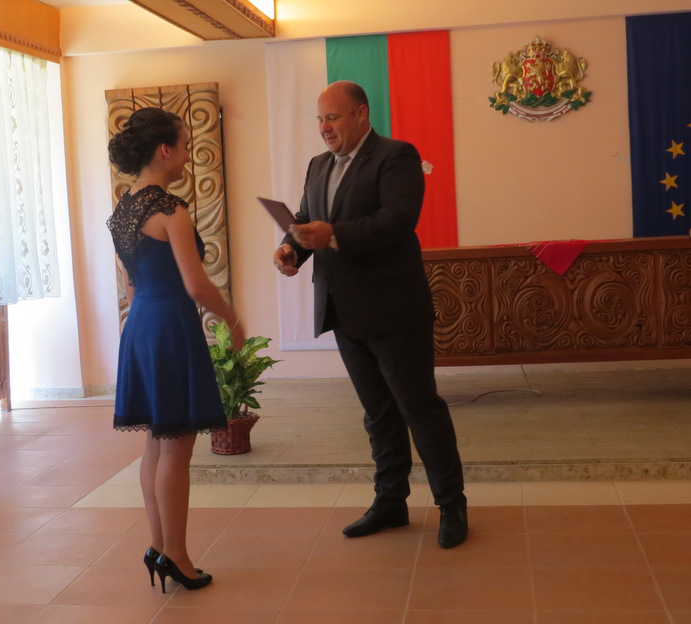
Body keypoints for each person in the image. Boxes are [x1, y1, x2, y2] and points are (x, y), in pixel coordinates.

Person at [273, 81, 468, 548]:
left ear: (360, 114)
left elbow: (397, 221)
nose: (324, 128)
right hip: (343, 309)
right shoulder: (318, 165)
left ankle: (452, 504)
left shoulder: (396, 156)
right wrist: (291, 249)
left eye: (332, 117)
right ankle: (391, 502)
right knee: (377, 414)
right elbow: (307, 219)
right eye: (319, 119)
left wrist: (333, 234)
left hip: (394, 309)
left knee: (419, 409)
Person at [107, 107, 244, 592]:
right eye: (184, 147)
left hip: (141, 324)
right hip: (169, 327)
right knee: (177, 447)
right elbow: (197, 285)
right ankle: (178, 557)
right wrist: (234, 321)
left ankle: (160, 547)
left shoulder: (123, 210)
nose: (187, 156)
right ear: (165, 150)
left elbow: (129, 286)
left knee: (156, 442)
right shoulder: (170, 210)